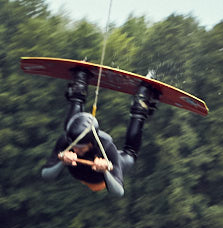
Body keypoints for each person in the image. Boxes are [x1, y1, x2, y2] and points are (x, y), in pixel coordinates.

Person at [40, 68, 157, 197]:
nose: (75, 149)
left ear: (91, 143)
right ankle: (79, 85)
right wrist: (62, 161)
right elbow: (46, 175)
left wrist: (105, 171)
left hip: (103, 174)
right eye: (73, 145)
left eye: (80, 147)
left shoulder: (107, 147)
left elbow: (118, 191)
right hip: (82, 169)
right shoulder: (66, 142)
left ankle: (141, 105)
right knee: (69, 127)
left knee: (130, 153)